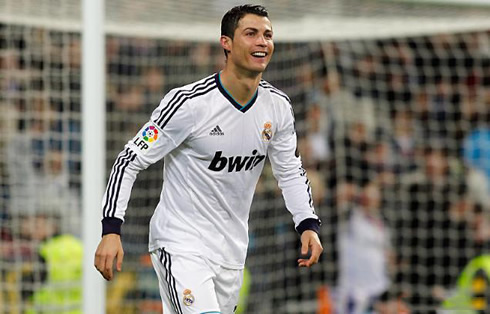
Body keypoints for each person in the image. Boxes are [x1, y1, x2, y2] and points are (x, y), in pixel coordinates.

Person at [94, 4, 323, 314]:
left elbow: (291, 172)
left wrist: (307, 223)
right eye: (251, 33)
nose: (262, 42)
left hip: (231, 252)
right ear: (226, 43)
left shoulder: (278, 107)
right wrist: (111, 230)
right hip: (180, 243)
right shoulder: (188, 104)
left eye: (267, 35)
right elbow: (128, 160)